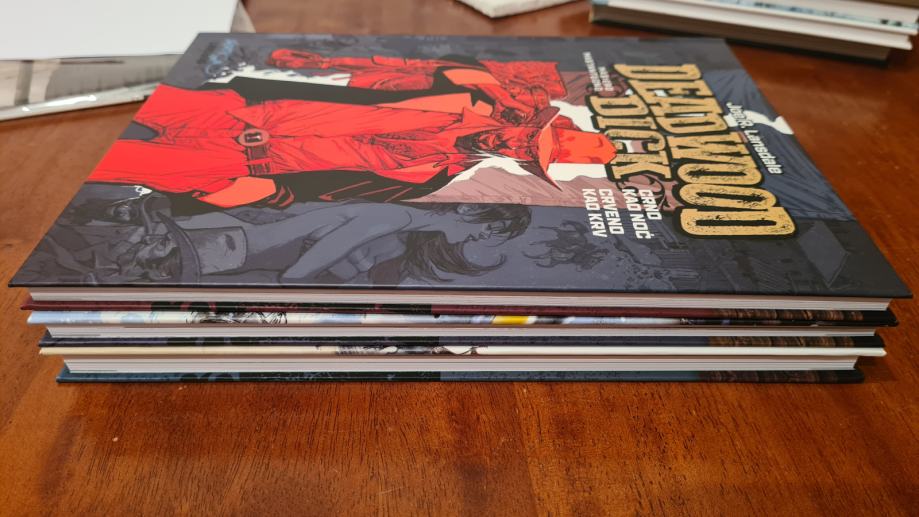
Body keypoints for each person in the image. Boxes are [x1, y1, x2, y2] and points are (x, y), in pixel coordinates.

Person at [87, 51, 616, 209]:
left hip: (235, 164)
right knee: (100, 101)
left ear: (522, 162)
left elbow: (322, 193)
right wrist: (503, 97)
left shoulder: (432, 176)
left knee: (99, 166)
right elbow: (453, 67)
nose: (513, 142)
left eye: (528, 151)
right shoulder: (467, 99)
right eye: (528, 134)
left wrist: (247, 192)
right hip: (239, 111)